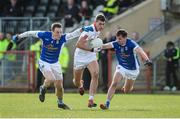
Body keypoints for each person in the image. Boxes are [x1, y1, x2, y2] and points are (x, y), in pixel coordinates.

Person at [12, 22, 84, 109]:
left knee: (59, 87)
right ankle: (43, 88)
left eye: (61, 32)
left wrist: (83, 29)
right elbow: (30, 33)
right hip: (44, 62)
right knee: (51, 79)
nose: (60, 34)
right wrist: (19, 36)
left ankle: (60, 103)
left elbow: (73, 34)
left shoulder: (63, 37)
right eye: (57, 32)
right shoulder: (44, 35)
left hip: (55, 63)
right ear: (52, 31)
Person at [99, 29, 152, 110]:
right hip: (122, 67)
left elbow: (140, 51)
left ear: (125, 38)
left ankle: (128, 86)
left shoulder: (131, 43)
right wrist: (96, 45)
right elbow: (105, 46)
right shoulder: (116, 43)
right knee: (114, 83)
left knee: (126, 91)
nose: (118, 40)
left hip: (133, 70)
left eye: (120, 39)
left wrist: (147, 60)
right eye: (117, 38)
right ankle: (107, 104)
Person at [73, 14, 106, 108]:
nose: (102, 26)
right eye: (100, 24)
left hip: (90, 56)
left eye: (103, 24)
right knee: (76, 81)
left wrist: (95, 47)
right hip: (80, 57)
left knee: (95, 74)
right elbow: (78, 44)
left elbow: (92, 43)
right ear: (95, 22)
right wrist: (92, 49)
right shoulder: (89, 30)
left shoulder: (97, 31)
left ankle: (91, 99)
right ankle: (80, 85)